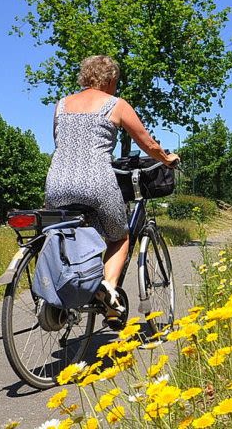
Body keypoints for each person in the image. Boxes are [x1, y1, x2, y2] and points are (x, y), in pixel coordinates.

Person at [44, 55, 179, 326]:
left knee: (71, 234)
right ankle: (108, 288)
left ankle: (67, 293)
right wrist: (167, 158)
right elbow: (147, 143)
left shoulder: (61, 105)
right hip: (96, 181)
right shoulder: (115, 104)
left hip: (57, 182)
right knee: (119, 237)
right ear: (110, 79)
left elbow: (60, 141)